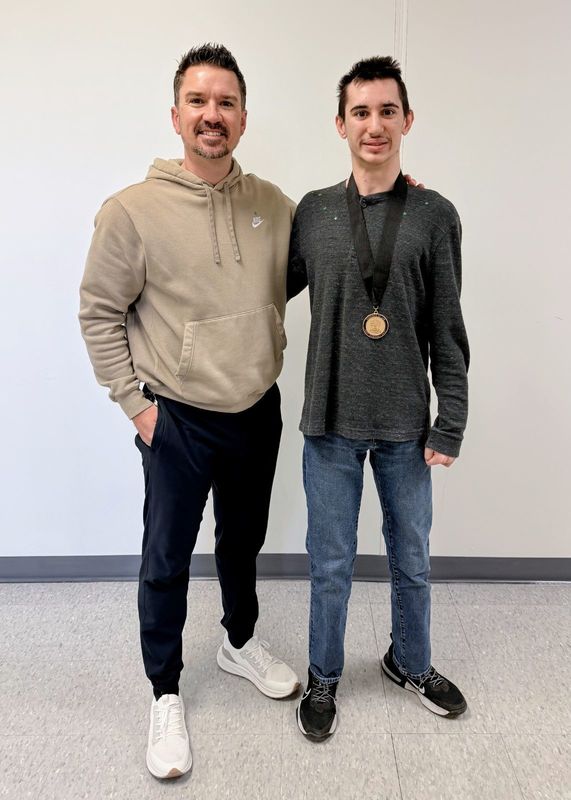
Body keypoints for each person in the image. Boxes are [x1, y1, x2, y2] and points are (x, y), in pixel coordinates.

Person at [79, 43, 300, 779]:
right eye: (199, 102)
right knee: (165, 557)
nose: (213, 115)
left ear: (242, 116)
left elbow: (309, 268)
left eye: (226, 102)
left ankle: (238, 641)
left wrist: (396, 195)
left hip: (254, 410)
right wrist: (139, 411)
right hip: (175, 419)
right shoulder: (131, 212)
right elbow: (99, 314)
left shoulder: (274, 205)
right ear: (176, 116)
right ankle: (165, 690)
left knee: (242, 542)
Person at [287, 56, 470, 741]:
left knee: (411, 559)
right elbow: (258, 288)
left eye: (386, 111)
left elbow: (446, 327)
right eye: (359, 112)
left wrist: (449, 422)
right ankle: (324, 675)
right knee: (330, 562)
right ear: (340, 124)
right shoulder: (310, 213)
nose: (373, 125)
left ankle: (410, 663)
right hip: (327, 423)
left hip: (404, 425)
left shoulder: (433, 215)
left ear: (406, 120)